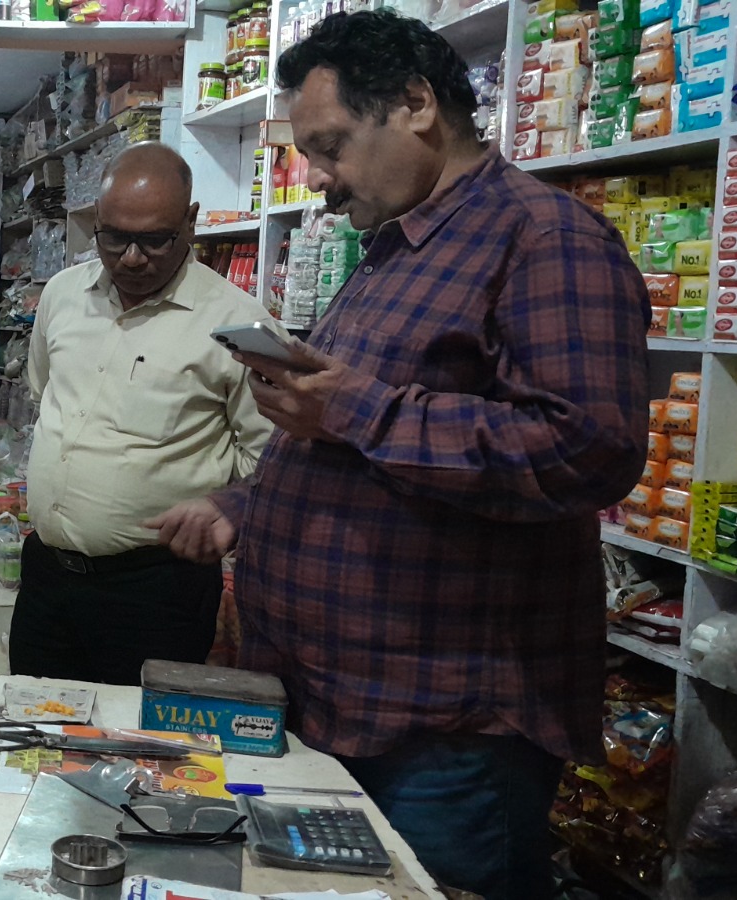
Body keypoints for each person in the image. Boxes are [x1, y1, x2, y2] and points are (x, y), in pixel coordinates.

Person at [150, 12, 648, 899]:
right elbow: (356, 447)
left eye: (330, 146)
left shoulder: (546, 239)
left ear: (417, 104)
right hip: (335, 701)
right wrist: (245, 506)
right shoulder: (397, 247)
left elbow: (587, 450)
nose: (317, 178)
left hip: (447, 733)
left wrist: (355, 407)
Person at [11, 142, 273, 686]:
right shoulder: (62, 295)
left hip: (158, 590)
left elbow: (270, 459)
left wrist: (221, 511)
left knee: (139, 735)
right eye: (113, 238)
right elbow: (46, 393)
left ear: (190, 222)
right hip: (47, 576)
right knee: (35, 725)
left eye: (155, 240)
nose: (131, 257)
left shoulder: (239, 325)